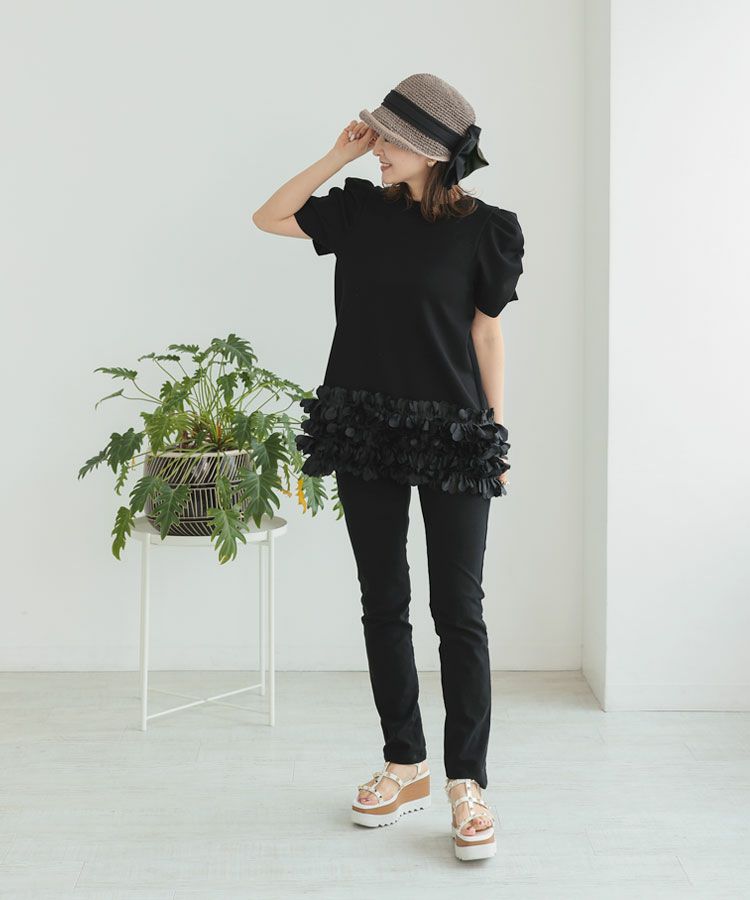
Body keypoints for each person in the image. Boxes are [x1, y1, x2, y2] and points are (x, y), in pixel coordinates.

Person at [252, 73, 524, 862]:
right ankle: (405, 764)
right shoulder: (360, 212)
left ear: (433, 151)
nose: (377, 148)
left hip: (453, 433)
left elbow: (485, 335)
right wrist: (338, 154)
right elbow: (269, 216)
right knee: (384, 600)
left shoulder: (487, 231)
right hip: (364, 424)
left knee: (458, 610)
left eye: (390, 140)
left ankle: (467, 783)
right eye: (376, 136)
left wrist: (494, 437)